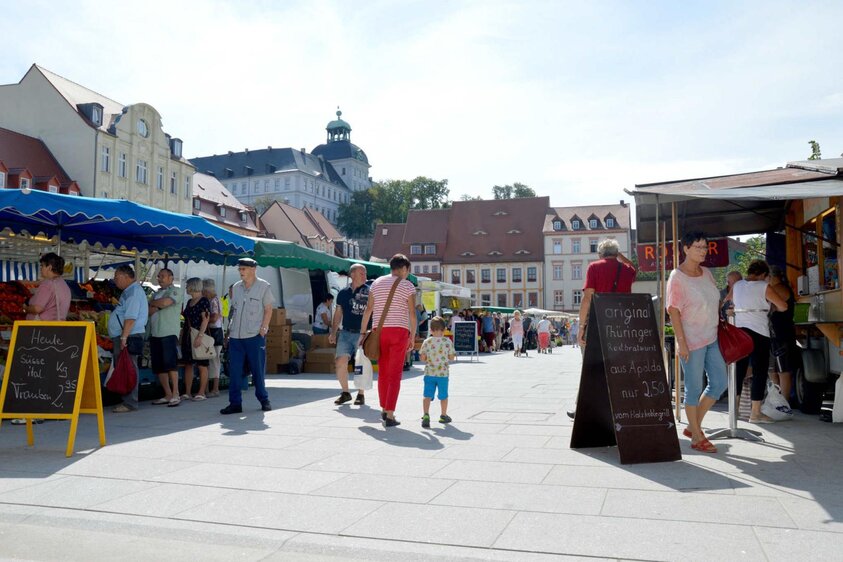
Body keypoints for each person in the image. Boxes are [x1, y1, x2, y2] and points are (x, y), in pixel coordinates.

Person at [666, 232, 729, 453]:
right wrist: (681, 343)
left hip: (712, 336)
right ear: (685, 249)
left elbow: (714, 300)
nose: (703, 251)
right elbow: (673, 311)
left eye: (705, 247)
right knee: (693, 388)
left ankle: (694, 427)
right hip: (691, 339)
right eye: (698, 247)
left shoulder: (707, 273)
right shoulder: (677, 277)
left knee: (720, 382)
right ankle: (696, 437)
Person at [359, 254, 416, 427]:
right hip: (398, 331)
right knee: (395, 374)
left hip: (379, 331)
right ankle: (390, 414)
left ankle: (384, 408)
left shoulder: (376, 283)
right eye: (407, 270)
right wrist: (412, 336)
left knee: (383, 372)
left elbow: (368, 310)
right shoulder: (407, 285)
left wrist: (363, 333)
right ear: (404, 269)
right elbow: (412, 313)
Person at [731, 260, 787, 423]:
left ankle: (734, 410)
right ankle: (755, 413)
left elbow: (729, 301)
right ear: (763, 274)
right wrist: (770, 305)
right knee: (759, 371)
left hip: (740, 332)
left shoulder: (737, 285)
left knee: (739, 371)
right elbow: (783, 306)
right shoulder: (764, 286)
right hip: (759, 332)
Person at [221, 258, 274, 414]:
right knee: (235, 371)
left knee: (257, 370)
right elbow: (233, 311)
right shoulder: (236, 288)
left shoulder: (264, 286)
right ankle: (235, 403)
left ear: (253, 270)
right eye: (240, 269)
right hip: (236, 336)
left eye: (243, 269)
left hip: (254, 335)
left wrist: (264, 328)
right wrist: (229, 332)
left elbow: (268, 309)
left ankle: (264, 399)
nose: (241, 272)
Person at [577, 239, 636, 348]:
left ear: (600, 254)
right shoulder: (628, 270)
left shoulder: (594, 267)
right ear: (616, 253)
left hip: (598, 321)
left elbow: (587, 298)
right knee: (617, 360)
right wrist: (620, 256)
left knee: (592, 360)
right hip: (622, 322)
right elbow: (634, 268)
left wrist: (581, 327)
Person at [108, 265, 149, 413]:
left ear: (126, 276)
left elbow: (130, 317)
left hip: (130, 335)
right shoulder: (130, 291)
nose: (115, 280)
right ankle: (127, 400)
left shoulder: (133, 292)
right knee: (126, 367)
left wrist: (124, 336)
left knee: (128, 368)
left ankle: (130, 402)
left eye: (117, 276)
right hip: (127, 334)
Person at [330, 263, 370, 406]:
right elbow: (338, 313)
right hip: (346, 333)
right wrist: (333, 332)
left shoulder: (369, 292)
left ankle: (361, 394)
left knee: (360, 365)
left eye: (365, 274)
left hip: (363, 334)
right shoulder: (343, 293)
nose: (365, 276)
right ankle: (345, 392)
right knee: (340, 362)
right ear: (352, 275)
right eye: (362, 273)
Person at [148, 268, 182, 407]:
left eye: (163, 276)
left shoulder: (176, 291)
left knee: (171, 364)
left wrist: (156, 304)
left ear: (171, 278)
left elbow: (166, 303)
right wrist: (158, 304)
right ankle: (167, 394)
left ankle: (176, 393)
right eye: (159, 276)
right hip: (155, 332)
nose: (159, 278)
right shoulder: (155, 294)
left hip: (168, 332)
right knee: (159, 366)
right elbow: (149, 310)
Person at [420, 316, 456, 428]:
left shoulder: (427, 342)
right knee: (443, 396)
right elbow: (451, 357)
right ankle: (443, 415)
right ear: (444, 329)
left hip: (429, 373)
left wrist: (429, 359)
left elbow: (422, 358)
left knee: (427, 395)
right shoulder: (447, 341)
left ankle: (426, 415)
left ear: (430, 330)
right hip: (443, 374)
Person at [769, 265, 797, 404]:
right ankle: (778, 399)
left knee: (782, 370)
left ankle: (784, 402)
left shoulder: (779, 288)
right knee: (774, 370)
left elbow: (768, 303)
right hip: (776, 334)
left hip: (781, 334)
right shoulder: (777, 288)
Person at [180, 277, 211, 401]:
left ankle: (201, 392)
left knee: (202, 365)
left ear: (192, 286)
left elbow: (206, 319)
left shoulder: (204, 301)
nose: (186, 288)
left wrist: (200, 336)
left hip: (199, 334)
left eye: (187, 285)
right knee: (188, 364)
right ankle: (187, 392)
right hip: (188, 334)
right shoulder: (189, 302)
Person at [23, 252, 71, 321]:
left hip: (42, 328)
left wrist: (25, 309)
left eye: (42, 266)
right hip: (57, 326)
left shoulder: (47, 284)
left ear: (49, 267)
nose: (41, 269)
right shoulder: (63, 284)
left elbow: (37, 308)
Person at [204, 279, 224, 398]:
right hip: (214, 331)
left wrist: (204, 320)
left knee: (214, 360)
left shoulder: (214, 301)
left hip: (215, 332)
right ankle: (209, 388)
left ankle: (215, 388)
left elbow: (215, 317)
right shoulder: (213, 300)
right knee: (210, 360)